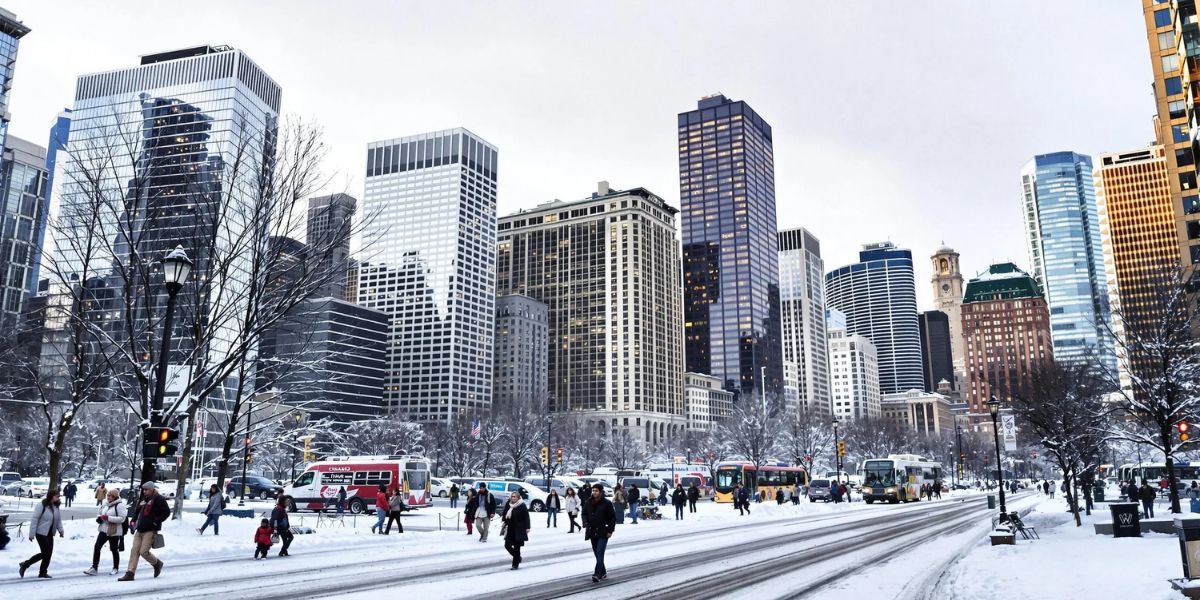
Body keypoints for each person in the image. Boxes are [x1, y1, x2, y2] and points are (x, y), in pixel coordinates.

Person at [117, 481, 170, 581]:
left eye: (146, 490)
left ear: (152, 489)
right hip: (140, 529)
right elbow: (137, 512)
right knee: (134, 551)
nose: (144, 491)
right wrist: (133, 520)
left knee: (143, 552)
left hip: (150, 530)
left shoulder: (159, 499)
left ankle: (157, 563)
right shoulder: (143, 499)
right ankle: (130, 573)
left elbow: (166, 512)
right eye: (143, 490)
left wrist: (156, 522)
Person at [18, 489, 64, 579]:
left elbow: (58, 520)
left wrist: (61, 530)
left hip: (50, 533)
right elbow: (35, 519)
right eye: (57, 496)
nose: (58, 498)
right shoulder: (42, 505)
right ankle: (25, 564)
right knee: (46, 552)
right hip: (41, 533)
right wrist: (32, 534)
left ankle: (43, 572)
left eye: (59, 496)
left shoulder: (56, 506)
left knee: (48, 553)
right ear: (51, 497)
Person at [85, 487, 126, 576]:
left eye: (110, 496)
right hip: (104, 529)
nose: (108, 497)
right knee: (97, 546)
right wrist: (100, 518)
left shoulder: (119, 505)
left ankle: (115, 568)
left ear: (115, 497)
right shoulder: (106, 504)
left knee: (114, 549)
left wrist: (108, 518)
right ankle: (94, 568)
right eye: (108, 496)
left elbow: (122, 519)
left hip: (113, 530)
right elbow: (101, 513)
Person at [581, 483, 616, 583]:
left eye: (596, 491)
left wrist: (610, 530)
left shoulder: (607, 503)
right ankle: (603, 571)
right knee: (597, 553)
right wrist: (585, 521)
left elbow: (613, 518)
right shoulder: (588, 502)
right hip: (592, 531)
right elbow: (584, 513)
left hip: (603, 531)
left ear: (601, 492)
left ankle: (597, 574)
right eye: (593, 491)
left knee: (600, 551)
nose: (594, 492)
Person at [501, 491, 531, 570]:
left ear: (518, 497)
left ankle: (515, 564)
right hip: (510, 528)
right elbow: (505, 514)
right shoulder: (509, 504)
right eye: (512, 496)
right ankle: (518, 557)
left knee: (517, 547)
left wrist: (527, 527)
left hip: (519, 529)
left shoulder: (522, 505)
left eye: (515, 497)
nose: (513, 498)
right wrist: (504, 520)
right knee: (507, 545)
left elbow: (526, 517)